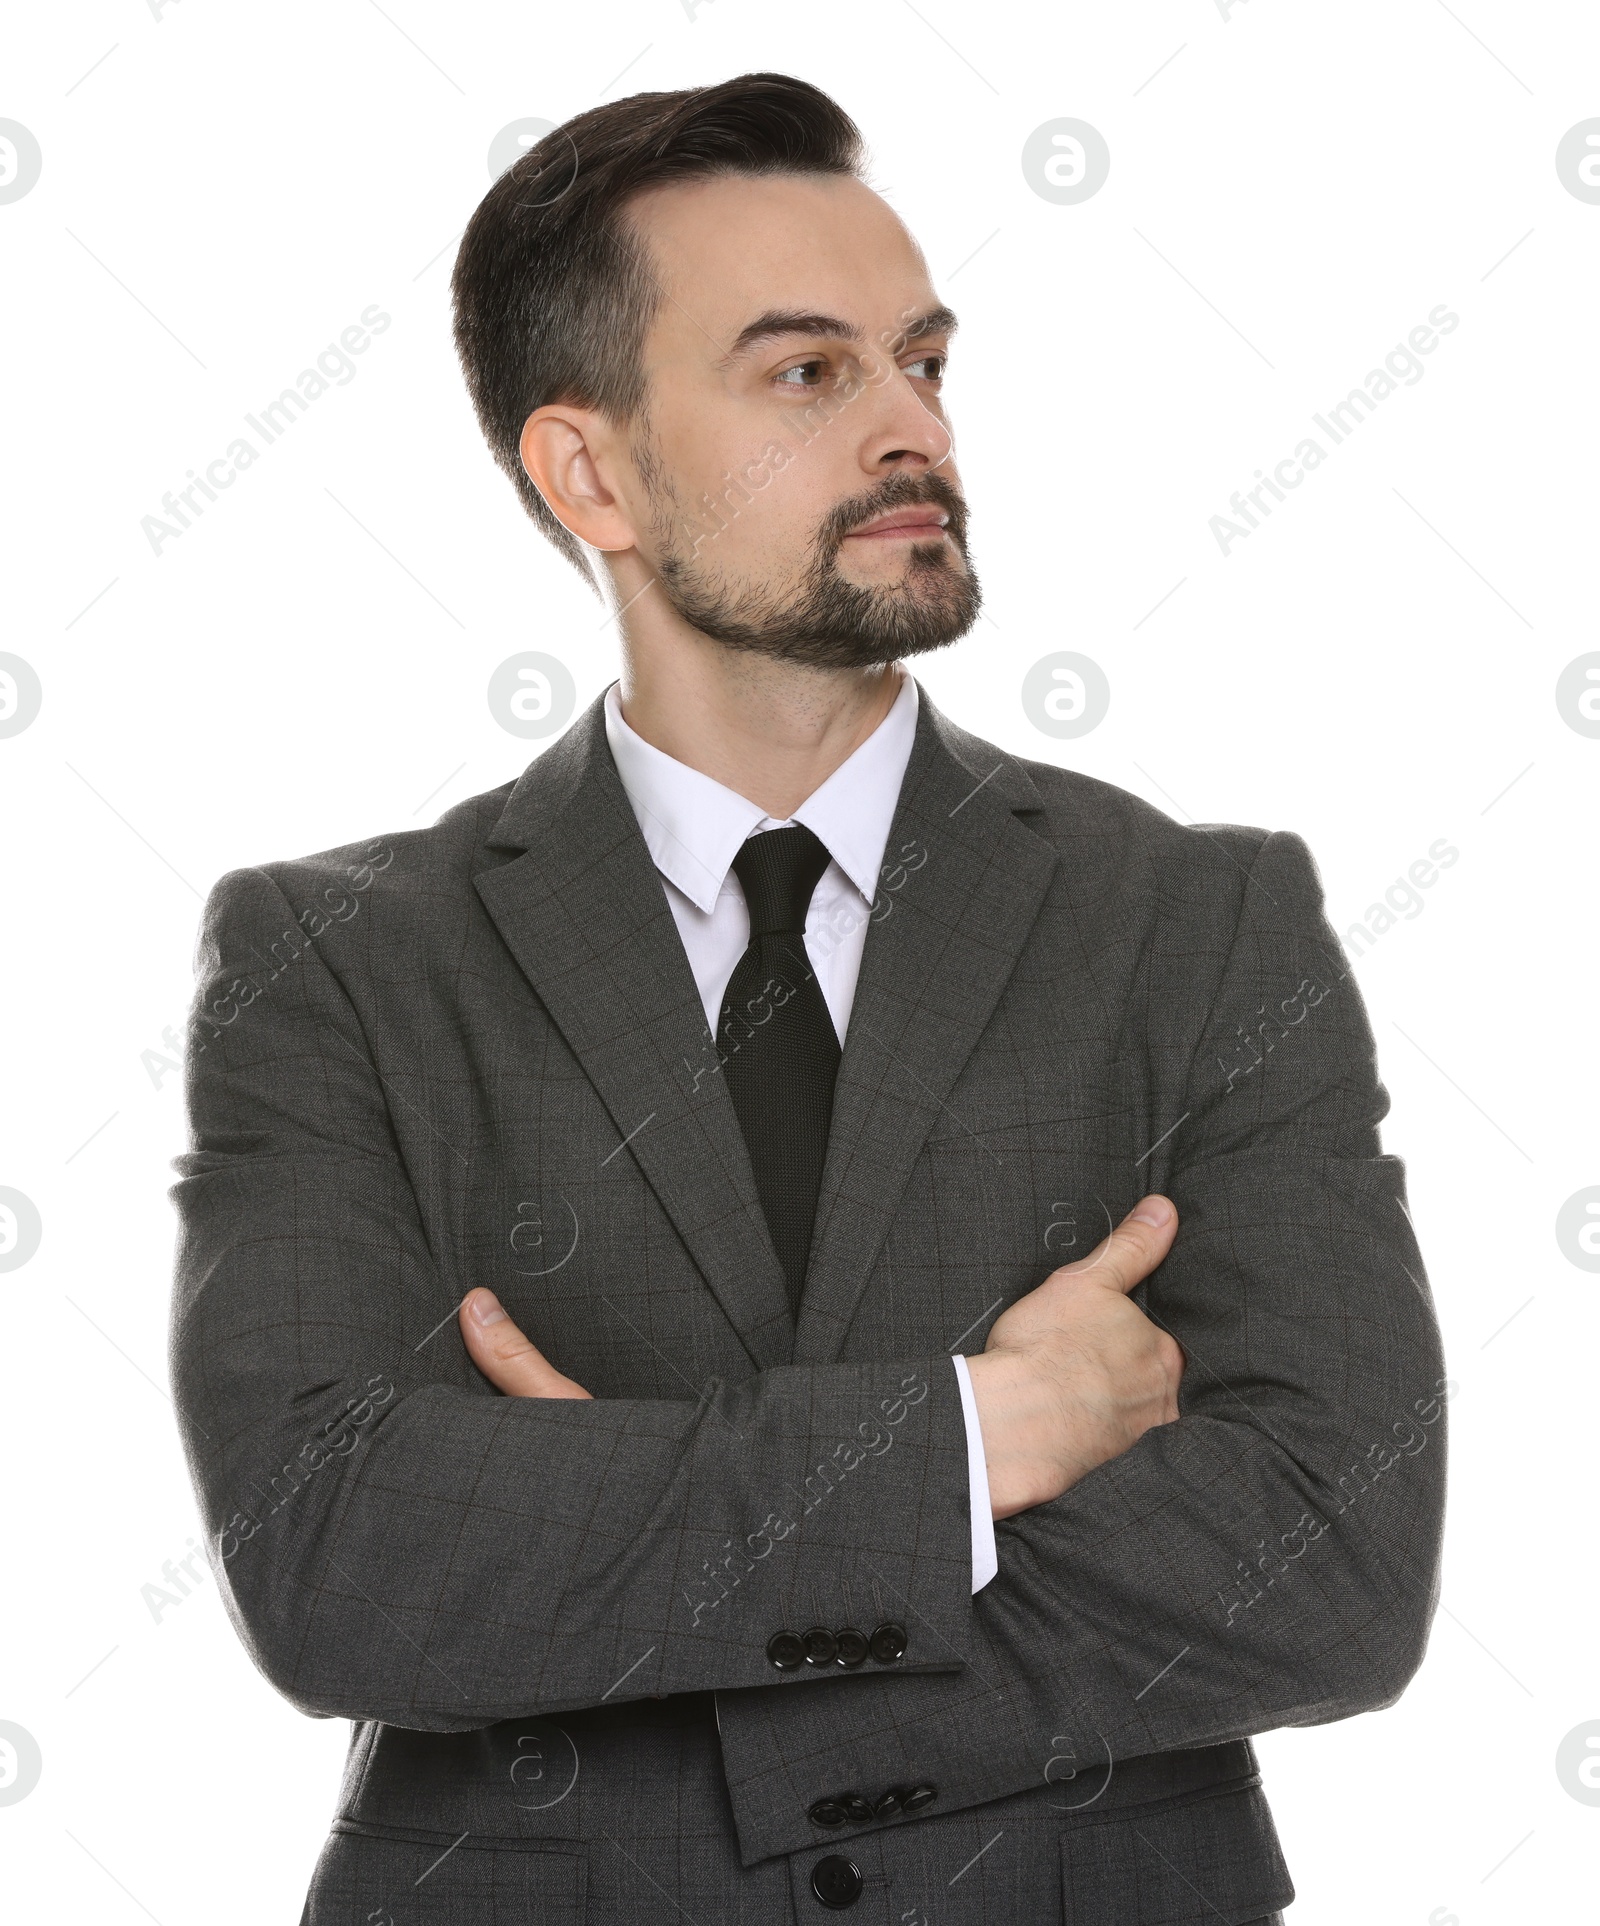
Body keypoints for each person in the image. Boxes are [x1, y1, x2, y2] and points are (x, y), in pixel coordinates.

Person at [169, 72, 1446, 1925]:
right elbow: (341, 1563)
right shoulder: (336, 962)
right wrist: (968, 1441)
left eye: (921, 359)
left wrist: (620, 1567)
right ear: (587, 469)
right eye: (806, 373)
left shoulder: (1202, 918)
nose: (910, 425)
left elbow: (1334, 1556)